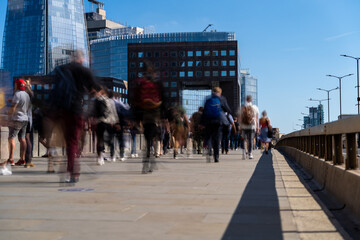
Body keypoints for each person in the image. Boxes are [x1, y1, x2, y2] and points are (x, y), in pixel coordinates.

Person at [50, 50, 100, 183]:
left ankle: (71, 167)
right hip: (77, 109)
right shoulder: (84, 70)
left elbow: (53, 88)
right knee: (73, 141)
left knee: (69, 141)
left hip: (63, 110)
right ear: (81, 59)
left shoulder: (62, 69)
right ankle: (73, 172)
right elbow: (95, 89)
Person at [132, 60, 166, 173]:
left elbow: (135, 101)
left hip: (145, 114)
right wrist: (164, 116)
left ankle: (147, 161)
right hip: (155, 113)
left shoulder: (140, 83)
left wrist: (136, 119)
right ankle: (150, 159)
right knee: (153, 138)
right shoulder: (157, 83)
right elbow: (164, 100)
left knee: (148, 139)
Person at [5, 79, 31, 167]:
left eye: (15, 84)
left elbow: (13, 108)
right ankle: (22, 159)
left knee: (11, 138)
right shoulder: (26, 95)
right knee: (22, 139)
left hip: (17, 119)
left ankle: (11, 159)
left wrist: (8, 117)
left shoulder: (17, 94)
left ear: (17, 85)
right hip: (25, 119)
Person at [202, 87, 230, 163]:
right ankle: (216, 157)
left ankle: (209, 151)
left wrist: (202, 122)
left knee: (209, 137)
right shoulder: (222, 98)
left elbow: (204, 111)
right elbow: (227, 108)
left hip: (208, 121)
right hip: (218, 121)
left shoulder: (208, 99)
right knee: (217, 139)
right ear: (220, 92)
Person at [238, 95, 259, 159]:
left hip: (244, 126)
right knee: (250, 139)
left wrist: (240, 126)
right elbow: (256, 118)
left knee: (244, 139)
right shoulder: (254, 107)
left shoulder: (243, 108)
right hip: (252, 126)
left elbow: (240, 118)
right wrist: (257, 127)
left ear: (245, 100)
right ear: (251, 100)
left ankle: (244, 151)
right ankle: (250, 153)